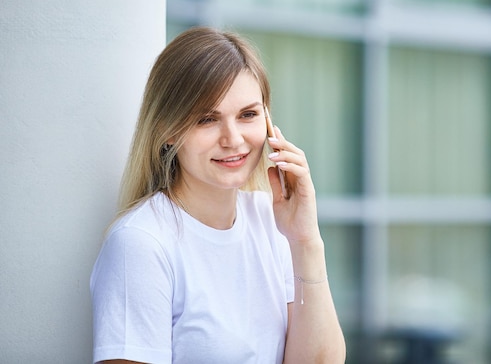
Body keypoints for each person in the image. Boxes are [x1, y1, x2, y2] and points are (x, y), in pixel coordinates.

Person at [90, 27, 346, 363]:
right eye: (207, 119)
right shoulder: (141, 243)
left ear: (269, 124)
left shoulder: (270, 221)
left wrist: (306, 240)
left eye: (248, 115)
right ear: (167, 130)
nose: (233, 139)